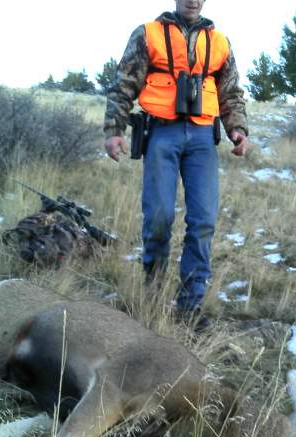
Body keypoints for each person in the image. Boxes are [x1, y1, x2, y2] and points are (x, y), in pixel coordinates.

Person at [104, 0, 250, 329]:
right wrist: (113, 130)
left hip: (202, 139)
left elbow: (231, 92)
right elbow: (124, 84)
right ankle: (152, 293)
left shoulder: (220, 42)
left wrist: (238, 130)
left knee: (203, 222)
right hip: (161, 134)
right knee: (158, 217)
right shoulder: (148, 34)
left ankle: (190, 305)